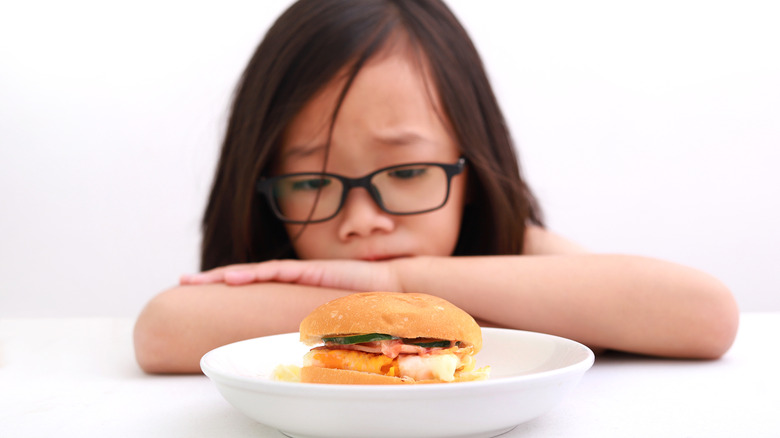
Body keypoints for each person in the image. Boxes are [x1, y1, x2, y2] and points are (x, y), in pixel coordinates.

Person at [133, 0, 739, 374]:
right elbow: (162, 330)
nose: (364, 218)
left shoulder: (511, 253)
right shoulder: (278, 274)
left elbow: (705, 315)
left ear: (470, 170)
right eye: (313, 180)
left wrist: (400, 282)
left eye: (405, 172)